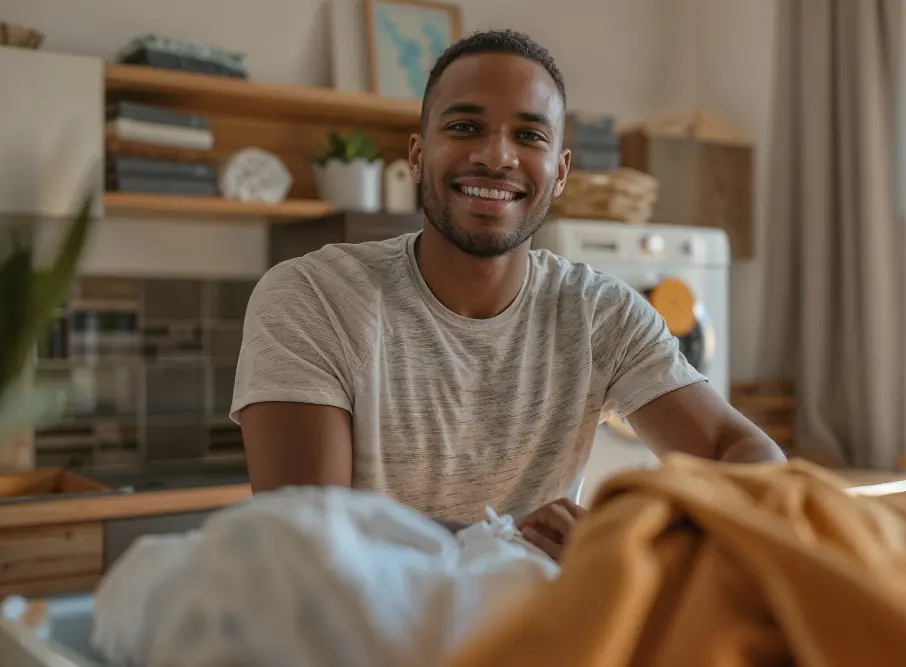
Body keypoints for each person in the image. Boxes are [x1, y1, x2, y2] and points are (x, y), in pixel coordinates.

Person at [230, 29, 786, 561]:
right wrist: (510, 546)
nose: (497, 156)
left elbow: (747, 458)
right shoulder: (313, 297)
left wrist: (630, 538)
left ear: (560, 172)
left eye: (530, 135)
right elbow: (304, 534)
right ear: (418, 156)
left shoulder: (600, 315)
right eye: (466, 127)